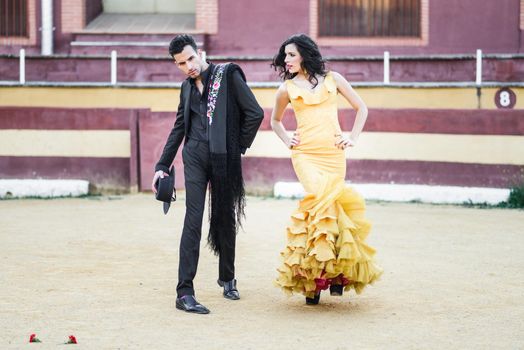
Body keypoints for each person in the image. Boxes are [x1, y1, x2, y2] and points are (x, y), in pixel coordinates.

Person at [152, 34, 264, 314]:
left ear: (199, 53)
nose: (188, 66)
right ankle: (184, 292)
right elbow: (179, 127)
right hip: (195, 158)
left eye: (190, 58)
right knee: (193, 219)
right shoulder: (186, 88)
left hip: (223, 157)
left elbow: (255, 113)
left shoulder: (227, 75)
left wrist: (236, 145)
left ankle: (227, 278)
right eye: (181, 63)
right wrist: (161, 166)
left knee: (225, 215)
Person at [270, 34, 382, 305]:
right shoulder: (286, 89)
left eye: (291, 55)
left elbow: (361, 108)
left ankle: (334, 277)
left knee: (332, 210)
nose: (286, 60)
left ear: (305, 55)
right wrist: (287, 139)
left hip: (333, 154)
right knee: (320, 206)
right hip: (305, 155)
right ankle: (312, 282)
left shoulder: (334, 79)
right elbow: (275, 120)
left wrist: (352, 137)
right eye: (285, 56)